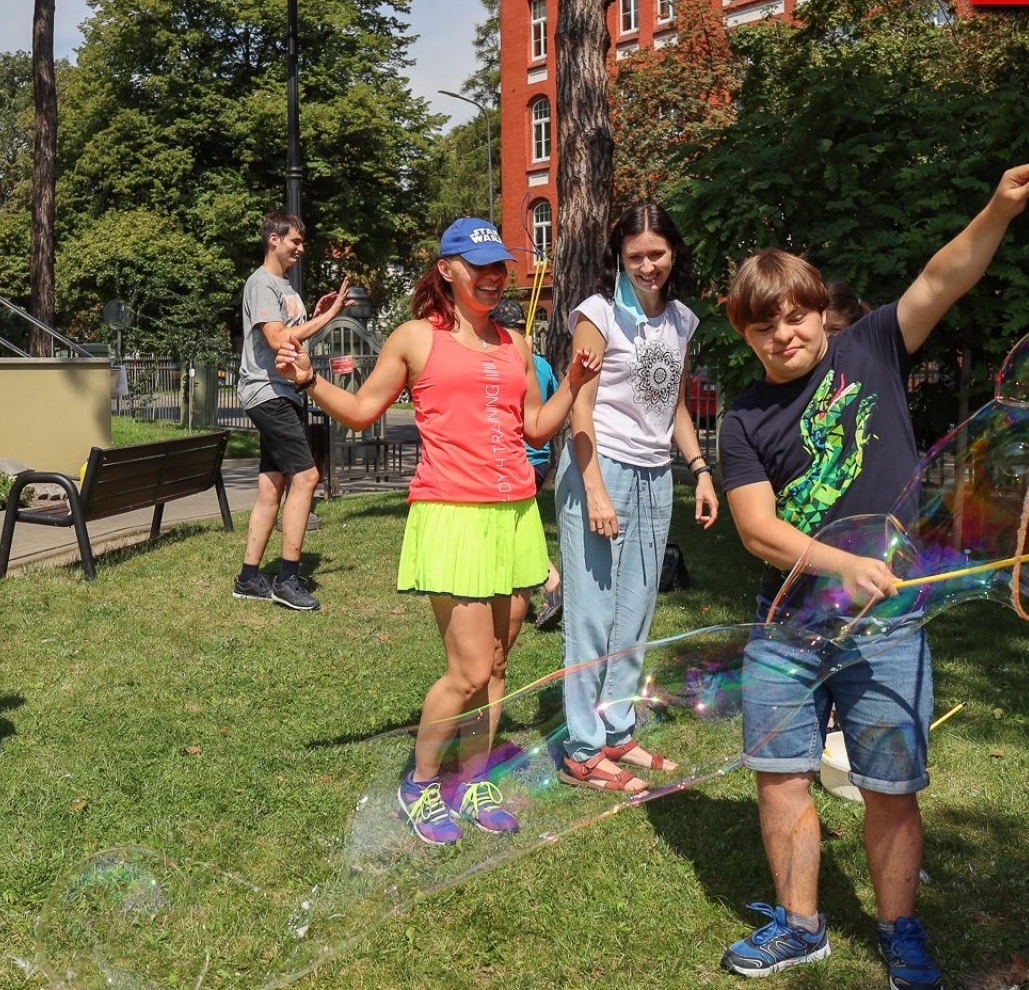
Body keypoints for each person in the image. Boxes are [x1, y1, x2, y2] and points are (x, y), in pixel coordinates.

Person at [715, 165, 1029, 986]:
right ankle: (800, 924)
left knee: (891, 786)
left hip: (888, 626)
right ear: (746, 335)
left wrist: (999, 206)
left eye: (795, 316)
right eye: (764, 327)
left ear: (819, 312)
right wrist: (846, 564)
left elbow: (944, 275)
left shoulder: (871, 347)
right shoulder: (742, 418)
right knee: (781, 779)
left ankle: (899, 929)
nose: (784, 335)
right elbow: (758, 530)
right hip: (786, 627)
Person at [275, 217, 599, 845]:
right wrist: (310, 382)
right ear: (446, 271)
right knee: (468, 669)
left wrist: (577, 387)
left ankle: (473, 779)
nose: (491, 278)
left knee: (499, 665)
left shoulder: (516, 344)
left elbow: (535, 427)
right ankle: (421, 785)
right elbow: (366, 412)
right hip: (453, 514)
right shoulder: (415, 339)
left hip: (515, 515)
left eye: (498, 267)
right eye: (477, 267)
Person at [554, 203, 719, 795]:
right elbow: (580, 403)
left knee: (636, 613)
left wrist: (698, 468)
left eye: (657, 254)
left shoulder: (681, 321)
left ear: (673, 253)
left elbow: (672, 403)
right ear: (618, 257)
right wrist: (594, 486)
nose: (648, 265)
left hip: (656, 476)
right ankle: (580, 748)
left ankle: (618, 728)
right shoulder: (596, 315)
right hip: (601, 470)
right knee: (592, 615)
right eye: (635, 256)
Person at [233, 210, 353, 611]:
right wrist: (329, 316)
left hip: (285, 391)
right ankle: (286, 579)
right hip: (267, 391)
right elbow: (278, 336)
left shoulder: (284, 287)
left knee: (273, 485)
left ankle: (249, 578)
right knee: (307, 476)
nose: (301, 248)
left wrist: (313, 313)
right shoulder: (261, 283)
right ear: (274, 239)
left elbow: (293, 335)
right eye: (295, 241)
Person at [488, 298, 564, 631]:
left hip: (514, 461)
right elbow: (557, 403)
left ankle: (551, 582)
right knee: (515, 528)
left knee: (511, 530)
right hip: (540, 460)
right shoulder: (543, 366)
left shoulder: (502, 362)